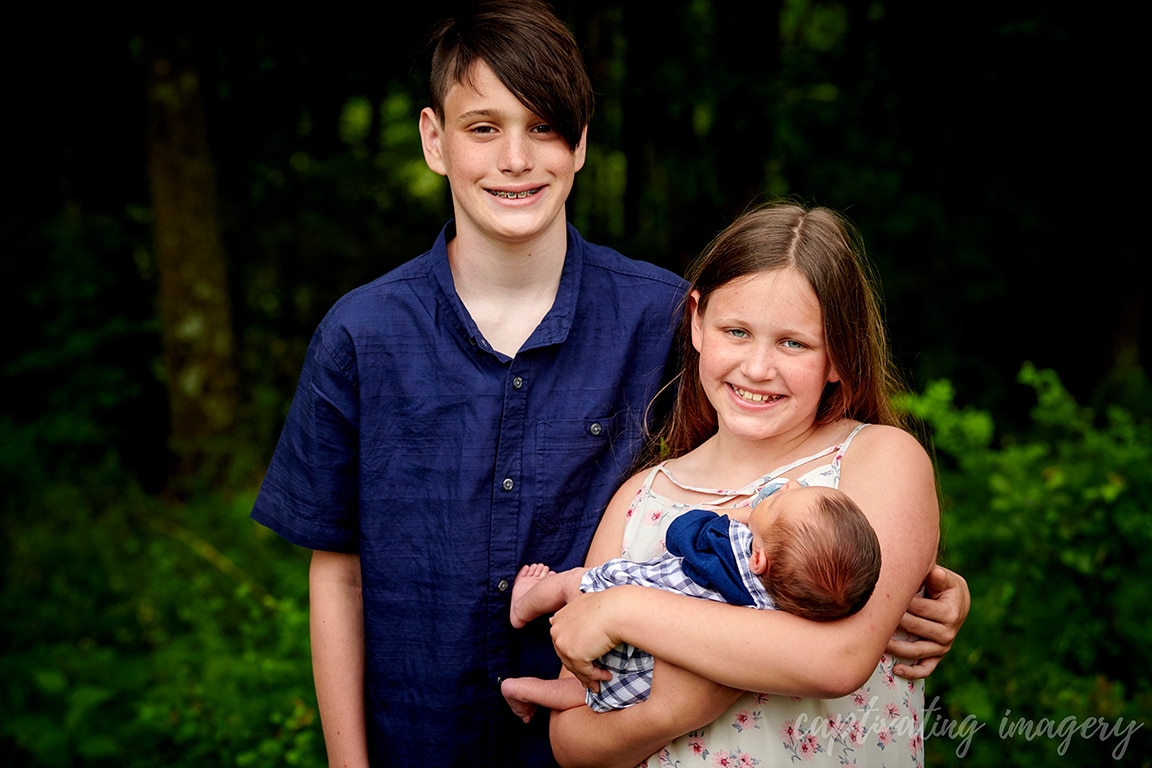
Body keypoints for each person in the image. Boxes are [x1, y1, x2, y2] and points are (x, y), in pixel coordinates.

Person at [249, 2, 970, 766]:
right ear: (435, 139)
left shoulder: (660, 318)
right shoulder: (361, 335)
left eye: (544, 127)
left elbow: (764, 463)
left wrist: (907, 585)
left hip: (597, 732)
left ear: (582, 143)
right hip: (422, 735)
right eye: (484, 128)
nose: (516, 159)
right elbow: (339, 576)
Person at [545, 202, 948, 767]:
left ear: (838, 355)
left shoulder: (876, 460)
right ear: (696, 323)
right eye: (737, 331)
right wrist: (667, 714)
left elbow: (837, 659)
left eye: (794, 343)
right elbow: (570, 742)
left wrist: (620, 612)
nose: (758, 368)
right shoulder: (641, 500)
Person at [502, 479, 882, 723]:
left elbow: (679, 533)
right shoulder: (781, 612)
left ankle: (523, 606)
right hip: (644, 675)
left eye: (783, 502)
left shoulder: (732, 546)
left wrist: (738, 515)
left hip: (609, 607)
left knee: (572, 582)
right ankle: (524, 689)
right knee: (590, 693)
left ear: (759, 559)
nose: (791, 484)